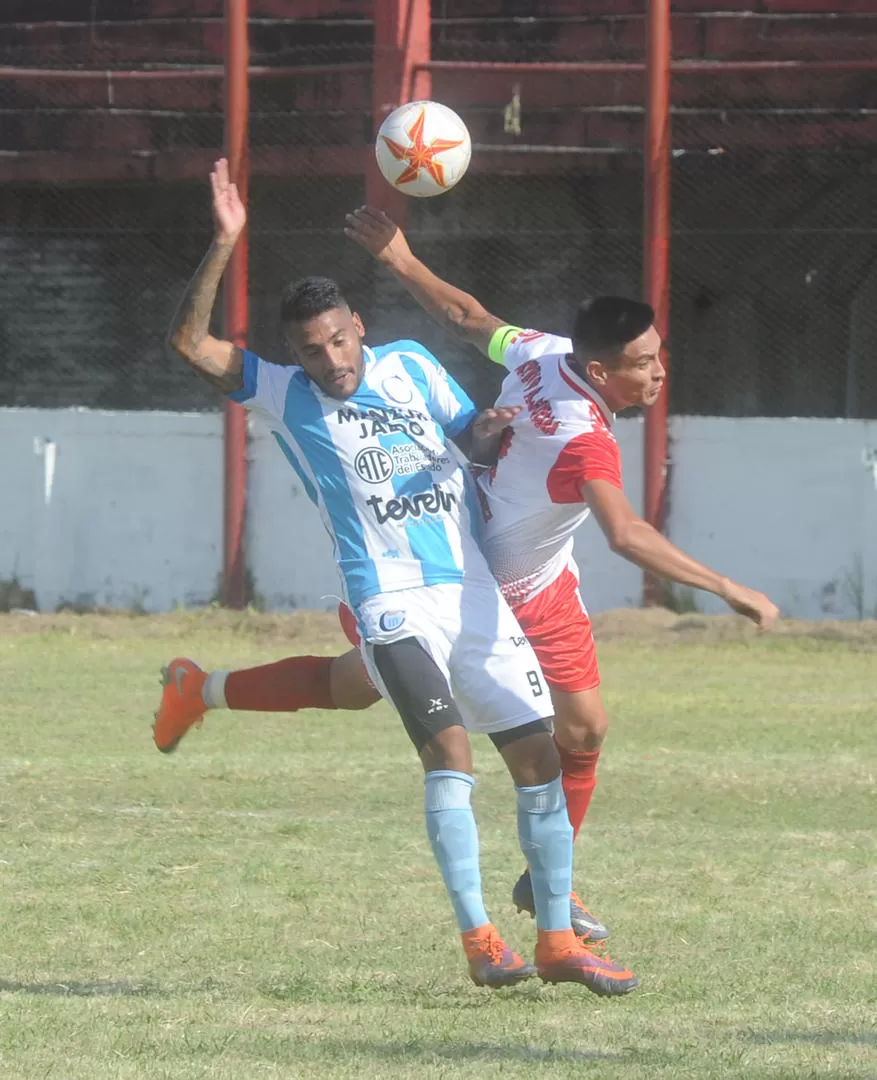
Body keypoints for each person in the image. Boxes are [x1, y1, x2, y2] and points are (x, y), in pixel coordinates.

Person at [156, 201, 779, 942]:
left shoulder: (499, 357)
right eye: (645, 363)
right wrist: (729, 589)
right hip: (445, 585)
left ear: (359, 326)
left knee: (421, 700)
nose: (659, 373)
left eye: (340, 341)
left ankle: (201, 689)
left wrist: (409, 278)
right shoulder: (582, 439)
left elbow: (466, 341)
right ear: (601, 367)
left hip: (497, 574)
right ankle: (517, 915)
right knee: (489, 737)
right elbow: (626, 533)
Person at [159, 158, 638, 996]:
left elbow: (472, 442)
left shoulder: (412, 364)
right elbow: (188, 344)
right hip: (386, 600)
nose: (331, 360)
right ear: (294, 353)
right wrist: (225, 241)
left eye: (339, 340)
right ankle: (481, 938)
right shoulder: (279, 392)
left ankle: (559, 940)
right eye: (312, 350)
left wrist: (490, 431)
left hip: (472, 589)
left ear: (358, 326)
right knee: (448, 753)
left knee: (537, 758)